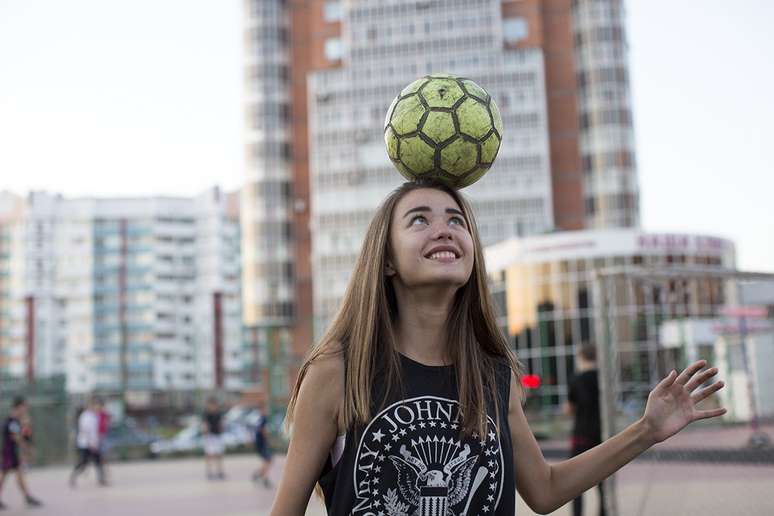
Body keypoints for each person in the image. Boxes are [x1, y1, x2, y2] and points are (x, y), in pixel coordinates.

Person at [268, 179, 728, 516]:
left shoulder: (493, 372)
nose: (445, 229)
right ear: (385, 258)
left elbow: (545, 491)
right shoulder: (338, 372)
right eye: (419, 220)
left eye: (457, 220)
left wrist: (646, 430)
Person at [564, 344, 604, 516]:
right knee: (603, 478)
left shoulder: (576, 380)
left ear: (581, 358)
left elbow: (570, 409)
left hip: (582, 434)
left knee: (575, 481)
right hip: (602, 433)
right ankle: (605, 512)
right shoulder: (603, 378)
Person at [0, 397, 43, 509]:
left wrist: (26, 425)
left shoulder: (16, 421)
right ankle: (27, 497)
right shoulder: (11, 421)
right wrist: (26, 449)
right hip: (9, 453)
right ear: (18, 407)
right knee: (4, 475)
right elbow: (16, 437)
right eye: (24, 406)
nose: (25, 409)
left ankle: (27, 497)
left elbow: (24, 434)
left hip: (11, 452)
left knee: (18, 476)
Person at [70, 397, 107, 487]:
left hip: (93, 443)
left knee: (98, 461)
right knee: (83, 463)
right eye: (97, 406)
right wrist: (91, 443)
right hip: (86, 444)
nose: (98, 408)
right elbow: (85, 431)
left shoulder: (94, 416)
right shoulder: (86, 416)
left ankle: (101, 479)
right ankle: (73, 477)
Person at [202, 398, 226, 480]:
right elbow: (205, 425)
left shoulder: (218, 413)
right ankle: (209, 472)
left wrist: (222, 428)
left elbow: (221, 423)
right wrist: (206, 434)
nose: (213, 407)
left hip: (217, 436)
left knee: (219, 454)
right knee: (209, 454)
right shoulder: (206, 414)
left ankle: (220, 471)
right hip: (210, 436)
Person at [251, 406, 273, 488]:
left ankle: (259, 475)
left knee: (267, 461)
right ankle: (263, 477)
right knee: (268, 460)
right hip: (262, 443)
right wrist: (267, 440)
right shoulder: (263, 419)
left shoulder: (259, 419)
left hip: (259, 443)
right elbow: (263, 430)